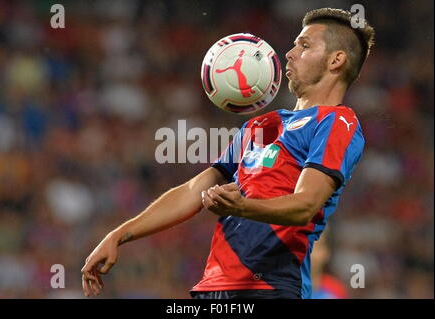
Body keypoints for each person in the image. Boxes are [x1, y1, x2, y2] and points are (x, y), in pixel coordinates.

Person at [81, 8, 375, 299]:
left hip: (271, 287)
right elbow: (195, 189)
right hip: (213, 287)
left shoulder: (336, 122)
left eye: (305, 45)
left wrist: (239, 207)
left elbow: (304, 207)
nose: (290, 53)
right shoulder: (261, 124)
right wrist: (119, 235)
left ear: (336, 60)